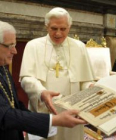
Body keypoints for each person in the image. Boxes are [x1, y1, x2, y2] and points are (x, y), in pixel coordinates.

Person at [0, 20, 86, 140]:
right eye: (10, 45)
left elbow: (15, 105)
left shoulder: (2, 67)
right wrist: (54, 120)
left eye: (15, 45)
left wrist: (42, 118)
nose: (15, 51)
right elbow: (5, 116)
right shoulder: (34, 45)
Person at [20, 7, 95, 140]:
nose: (58, 33)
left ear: (69, 27)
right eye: (54, 28)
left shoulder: (79, 47)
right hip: (44, 109)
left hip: (71, 110)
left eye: (63, 29)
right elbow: (26, 78)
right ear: (46, 26)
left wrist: (89, 88)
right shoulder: (33, 45)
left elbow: (85, 81)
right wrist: (41, 93)